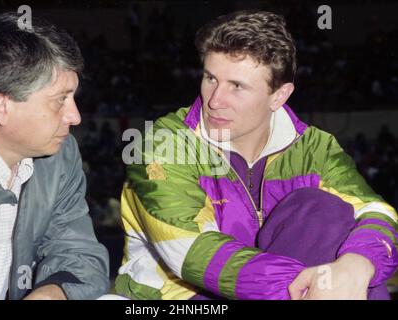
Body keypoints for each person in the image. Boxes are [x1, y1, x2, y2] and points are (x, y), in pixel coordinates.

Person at [115, 10, 398, 300]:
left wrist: (357, 266)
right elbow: (190, 251)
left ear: (279, 96)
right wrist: (307, 287)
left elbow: (376, 212)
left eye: (237, 86)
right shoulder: (163, 144)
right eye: (210, 78)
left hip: (288, 284)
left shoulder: (316, 147)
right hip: (183, 298)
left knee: (324, 211)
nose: (214, 100)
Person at [0, 12, 110, 300]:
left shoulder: (60, 157)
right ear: (1, 106)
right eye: (60, 100)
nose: (75, 116)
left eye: (73, 97)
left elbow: (78, 252)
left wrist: (53, 293)